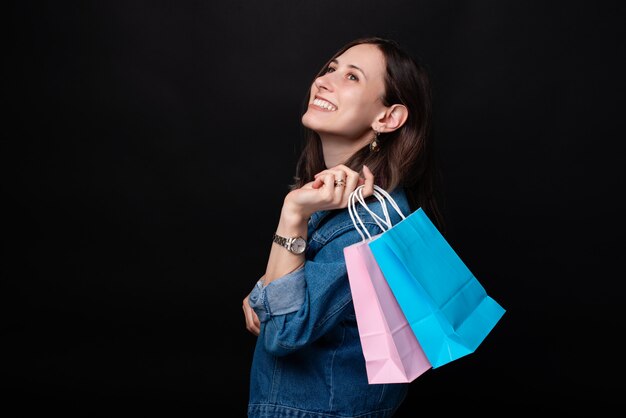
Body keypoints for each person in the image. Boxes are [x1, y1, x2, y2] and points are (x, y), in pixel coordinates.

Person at [242, 36, 444, 418]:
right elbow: (267, 303)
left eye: (352, 77)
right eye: (330, 69)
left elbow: (281, 332)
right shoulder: (335, 204)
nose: (324, 80)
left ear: (388, 118)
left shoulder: (365, 223)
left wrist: (292, 213)